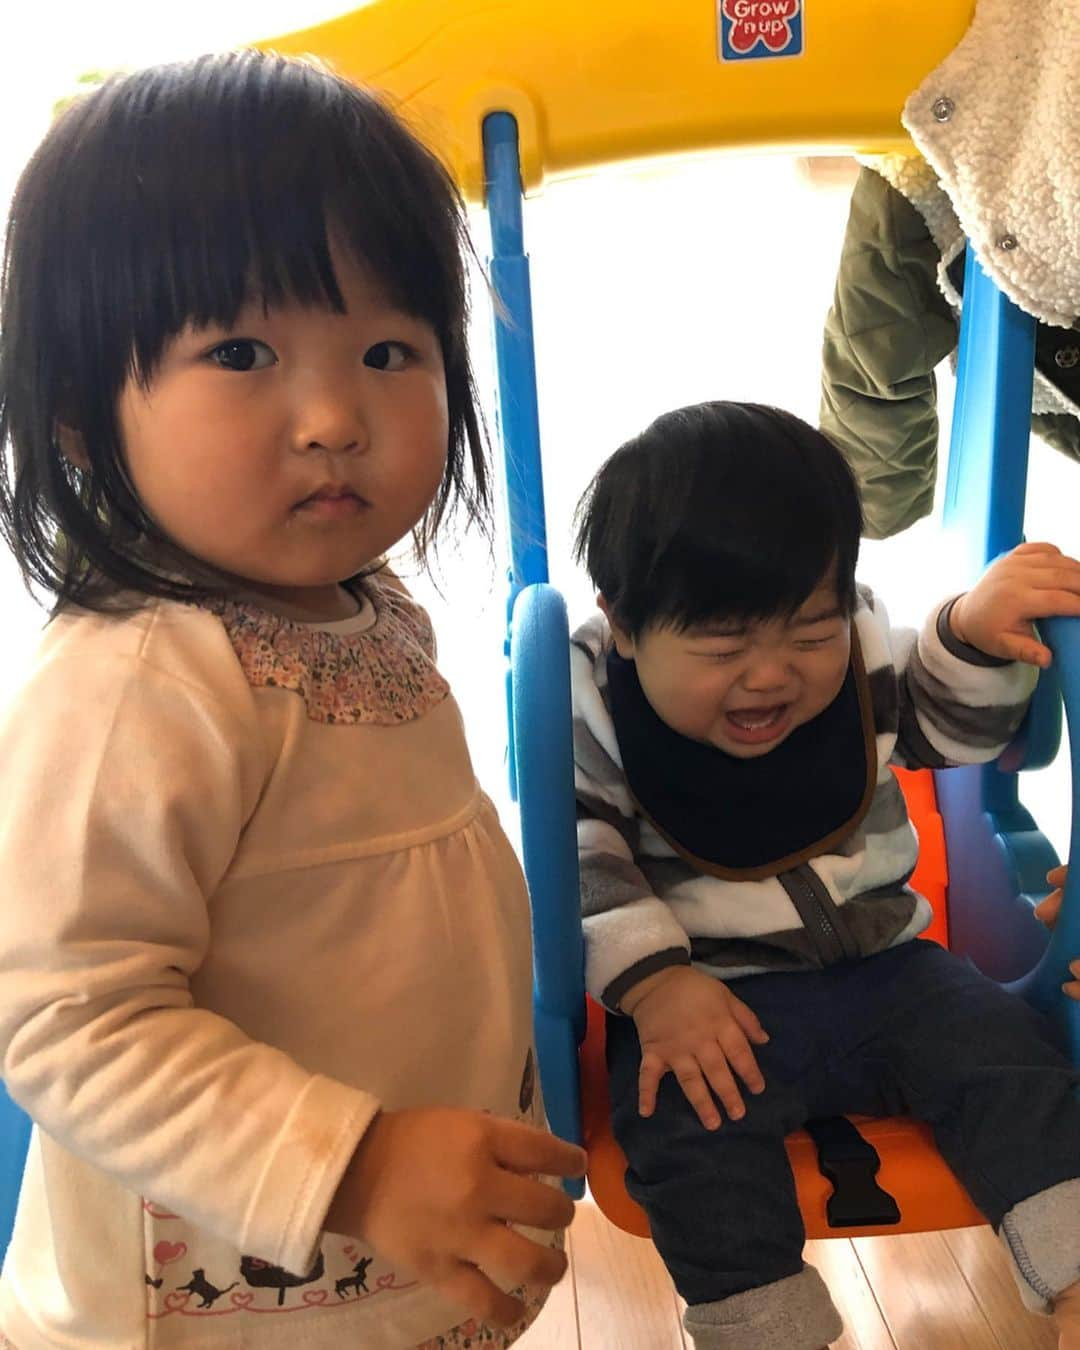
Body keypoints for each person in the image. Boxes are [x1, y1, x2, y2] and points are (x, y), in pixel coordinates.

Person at [0, 51, 585, 1350]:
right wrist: (361, 1165)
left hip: (392, 1276)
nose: (333, 415)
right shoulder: (143, 679)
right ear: (84, 417)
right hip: (215, 1312)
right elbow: (62, 1011)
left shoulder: (367, 610)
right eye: (242, 349)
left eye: (387, 348)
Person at [570, 400, 1080, 1350]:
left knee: (1010, 1057)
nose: (772, 675)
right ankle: (766, 1331)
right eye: (724, 647)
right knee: (684, 1126)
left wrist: (968, 631)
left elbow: (942, 734)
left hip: (893, 968)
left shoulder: (858, 646)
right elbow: (580, 854)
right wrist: (656, 985)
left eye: (809, 632)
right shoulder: (592, 696)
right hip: (713, 992)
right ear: (626, 626)